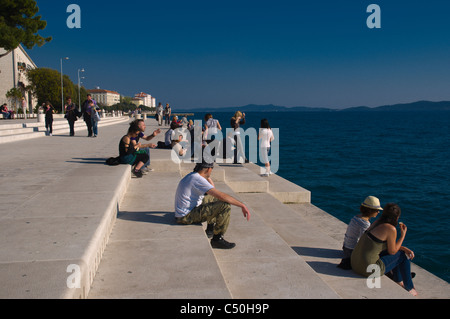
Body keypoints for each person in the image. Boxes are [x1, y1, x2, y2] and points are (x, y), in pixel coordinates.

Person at [174, 160, 251, 249]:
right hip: (185, 217)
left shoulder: (192, 176)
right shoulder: (198, 179)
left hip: (182, 214)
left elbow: (212, 190)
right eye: (212, 169)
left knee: (212, 198)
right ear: (208, 169)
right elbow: (221, 196)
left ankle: (210, 228)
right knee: (224, 205)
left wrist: (207, 176)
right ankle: (217, 239)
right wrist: (242, 205)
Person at [351, 203, 418, 296]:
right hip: (368, 270)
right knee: (403, 255)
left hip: (355, 263)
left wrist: (403, 248)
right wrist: (403, 235)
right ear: (397, 217)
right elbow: (393, 251)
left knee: (400, 251)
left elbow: (382, 245)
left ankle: (398, 280)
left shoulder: (377, 222)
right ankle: (409, 288)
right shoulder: (391, 229)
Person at [337, 196, 382, 270]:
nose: (378, 212)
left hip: (346, 248)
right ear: (371, 211)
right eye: (377, 210)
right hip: (352, 252)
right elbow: (364, 241)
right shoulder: (365, 223)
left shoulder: (356, 217)